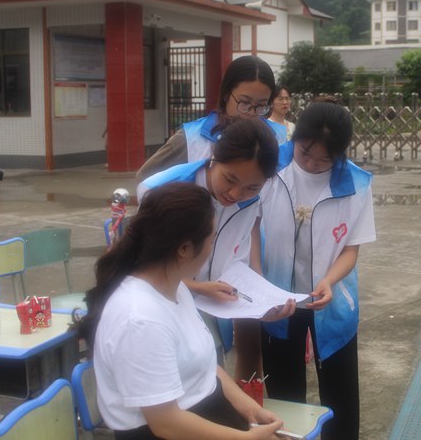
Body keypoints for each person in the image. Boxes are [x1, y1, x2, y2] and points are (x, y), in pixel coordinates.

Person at [77, 183, 284, 439]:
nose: (212, 247)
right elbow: (165, 423)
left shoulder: (175, 287)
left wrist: (250, 409)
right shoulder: (140, 319)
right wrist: (245, 438)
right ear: (184, 249)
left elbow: (204, 368)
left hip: (203, 414)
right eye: (211, 239)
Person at [137, 117, 295, 382]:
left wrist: (260, 307)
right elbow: (142, 267)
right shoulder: (166, 192)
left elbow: (235, 263)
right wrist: (198, 288)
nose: (235, 194)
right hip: (158, 312)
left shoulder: (251, 202)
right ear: (214, 157)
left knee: (210, 382)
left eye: (252, 187)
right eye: (230, 179)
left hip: (208, 314)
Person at [258, 102, 376, 440]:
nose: (311, 164)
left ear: (339, 155)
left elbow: (351, 249)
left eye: (323, 160)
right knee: (283, 394)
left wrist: (329, 280)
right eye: (305, 153)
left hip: (331, 300)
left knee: (340, 395)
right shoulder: (268, 165)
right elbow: (249, 226)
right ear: (296, 138)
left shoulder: (355, 183)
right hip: (279, 298)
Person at [136, 55, 287, 182]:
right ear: (226, 94)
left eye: (261, 105)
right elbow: (145, 178)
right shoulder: (192, 138)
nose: (252, 113)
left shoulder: (277, 137)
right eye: (245, 102)